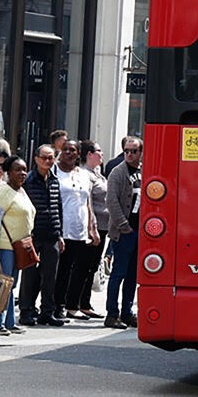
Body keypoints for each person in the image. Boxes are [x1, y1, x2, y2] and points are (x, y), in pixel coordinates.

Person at [18, 145, 65, 327]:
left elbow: (58, 207)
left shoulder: (54, 179)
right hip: (33, 233)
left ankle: (47, 311)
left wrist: (60, 234)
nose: (47, 161)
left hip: (52, 234)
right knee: (30, 274)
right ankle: (27, 311)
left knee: (50, 275)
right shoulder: (28, 180)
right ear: (36, 158)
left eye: (51, 158)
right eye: (44, 157)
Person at [53, 139, 99, 320]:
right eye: (65, 150)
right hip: (62, 229)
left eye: (72, 150)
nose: (68, 153)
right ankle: (58, 305)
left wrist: (92, 228)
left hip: (80, 229)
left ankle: (74, 305)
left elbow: (87, 203)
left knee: (80, 270)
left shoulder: (83, 174)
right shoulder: (54, 172)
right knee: (62, 270)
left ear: (78, 153)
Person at [0, 155, 33, 335]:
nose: (22, 173)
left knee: (11, 284)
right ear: (8, 173)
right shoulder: (4, 192)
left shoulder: (21, 191)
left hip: (19, 245)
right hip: (5, 245)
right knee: (3, 284)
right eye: (17, 170)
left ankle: (9, 322)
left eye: (24, 170)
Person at [105, 136, 142, 329]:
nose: (129, 154)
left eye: (133, 151)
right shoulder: (117, 173)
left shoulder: (144, 170)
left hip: (140, 231)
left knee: (132, 275)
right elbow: (111, 201)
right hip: (124, 231)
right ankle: (112, 314)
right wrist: (123, 224)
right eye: (126, 151)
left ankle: (127, 312)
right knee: (118, 274)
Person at [78, 140, 108, 318]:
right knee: (87, 265)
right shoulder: (86, 175)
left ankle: (84, 301)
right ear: (89, 154)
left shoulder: (97, 173)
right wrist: (92, 226)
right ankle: (82, 301)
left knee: (94, 265)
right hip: (93, 227)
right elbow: (87, 201)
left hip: (104, 226)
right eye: (98, 151)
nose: (101, 154)